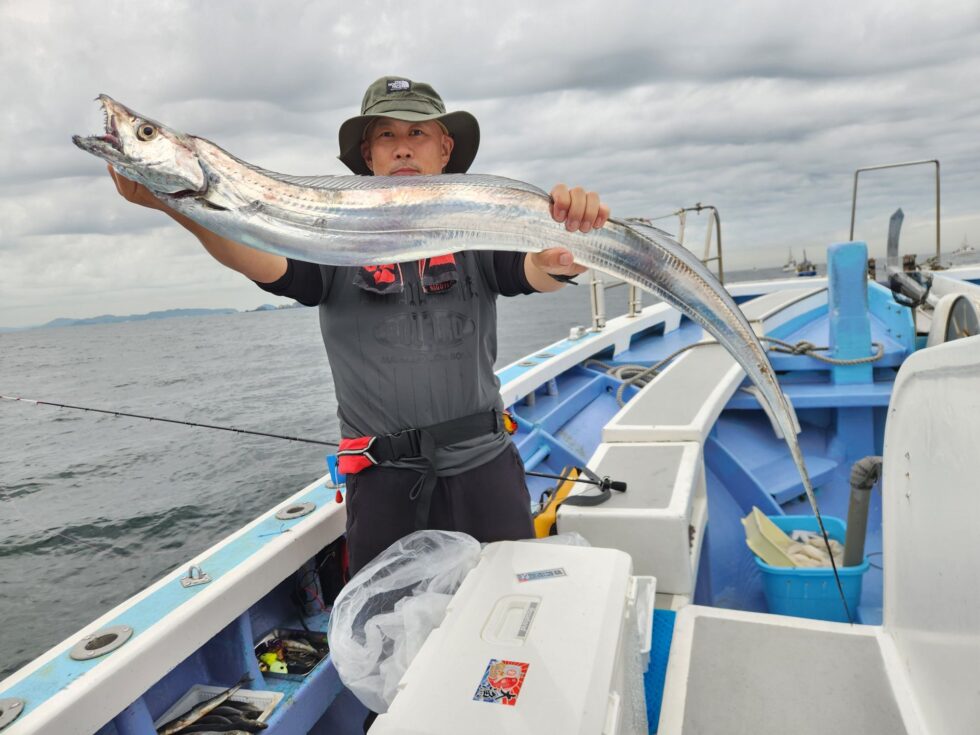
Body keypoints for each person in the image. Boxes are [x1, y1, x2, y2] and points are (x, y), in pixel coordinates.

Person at [108, 76, 610, 578]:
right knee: (391, 640)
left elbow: (534, 271)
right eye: (387, 137)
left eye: (418, 134)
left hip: (485, 467)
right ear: (368, 156)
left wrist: (570, 253)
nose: (403, 148)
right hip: (382, 482)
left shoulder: (477, 229)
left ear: (445, 149)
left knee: (508, 611)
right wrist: (175, 201)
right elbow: (259, 261)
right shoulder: (327, 235)